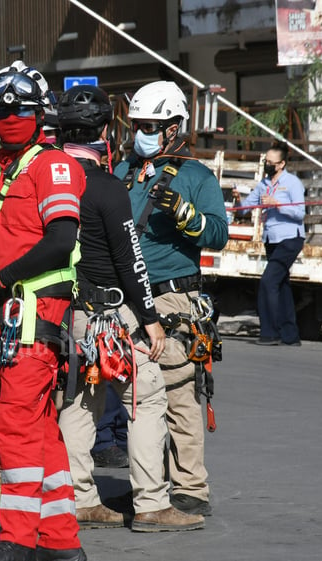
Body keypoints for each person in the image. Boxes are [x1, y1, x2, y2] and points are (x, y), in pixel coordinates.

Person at [55, 85, 204, 533]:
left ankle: (78, 496)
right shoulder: (108, 185)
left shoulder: (45, 178)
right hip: (115, 314)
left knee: (80, 403)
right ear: (105, 129)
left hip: (72, 314)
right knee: (147, 397)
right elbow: (131, 261)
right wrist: (152, 321)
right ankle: (153, 504)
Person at [0, 60, 87, 561]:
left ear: (41, 115)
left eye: (16, 111)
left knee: (16, 428)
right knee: (39, 431)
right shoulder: (2, 171)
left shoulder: (53, 166)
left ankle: (16, 542)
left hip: (34, 317)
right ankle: (61, 543)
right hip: (12, 316)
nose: (7, 119)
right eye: (0, 111)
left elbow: (61, 241)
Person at [114, 80, 228, 517]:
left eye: (152, 125)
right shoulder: (125, 172)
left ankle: (190, 488)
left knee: (180, 393)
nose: (142, 131)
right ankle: (151, 486)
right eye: (139, 123)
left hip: (173, 299)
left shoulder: (197, 175)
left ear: (175, 127)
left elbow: (217, 235)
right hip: (127, 298)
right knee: (139, 398)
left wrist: (184, 214)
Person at [233, 143, 305, 346]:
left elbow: (300, 213)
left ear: (281, 164)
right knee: (282, 285)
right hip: (271, 239)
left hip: (290, 238)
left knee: (268, 282)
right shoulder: (264, 184)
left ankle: (270, 332)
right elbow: (246, 209)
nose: (267, 165)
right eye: (266, 162)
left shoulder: (292, 183)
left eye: (271, 163)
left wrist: (277, 204)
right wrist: (239, 202)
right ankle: (290, 336)